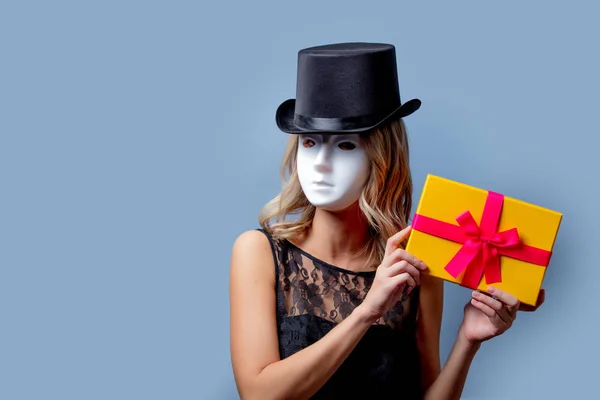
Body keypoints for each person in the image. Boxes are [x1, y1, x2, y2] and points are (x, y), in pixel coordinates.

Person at [229, 42, 544, 400]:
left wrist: (467, 341)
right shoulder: (259, 252)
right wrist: (368, 311)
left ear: (381, 159)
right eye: (310, 143)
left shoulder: (415, 263)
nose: (321, 163)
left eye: (346, 146)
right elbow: (258, 396)